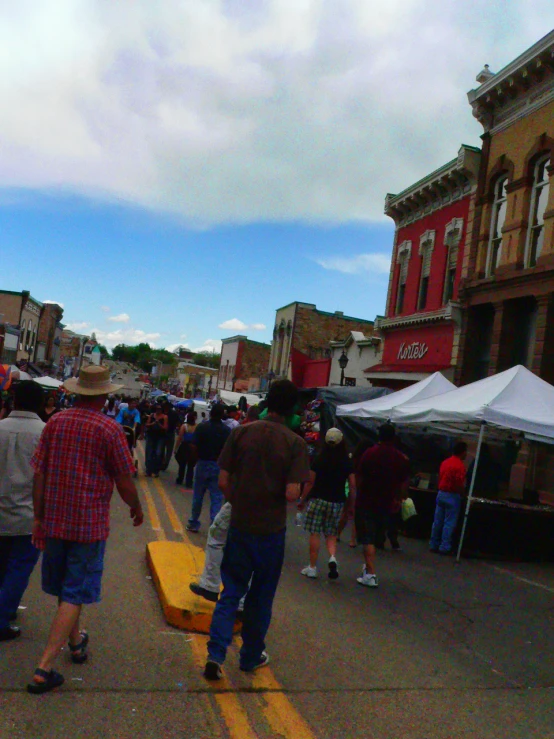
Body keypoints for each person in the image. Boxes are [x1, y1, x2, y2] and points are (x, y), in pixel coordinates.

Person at [27, 364, 143, 694]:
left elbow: (40, 473)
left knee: (66, 589)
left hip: (54, 520)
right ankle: (44, 666)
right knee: (75, 592)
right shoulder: (109, 430)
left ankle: (76, 643)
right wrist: (135, 507)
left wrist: (38, 516)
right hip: (87, 524)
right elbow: (124, 479)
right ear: (105, 395)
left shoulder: (56, 422)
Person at [204, 380, 311, 680]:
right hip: (271, 531)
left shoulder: (240, 432)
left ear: (266, 403)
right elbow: (292, 494)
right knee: (260, 598)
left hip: (240, 525)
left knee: (231, 590)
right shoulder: (295, 443)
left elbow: (223, 481)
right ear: (291, 409)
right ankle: (250, 657)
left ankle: (216, 654)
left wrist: (239, 502)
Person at [0, 381, 45, 641]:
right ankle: (3, 615)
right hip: (28, 515)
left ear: (14, 400)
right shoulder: (45, 432)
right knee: (19, 569)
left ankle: (4, 607)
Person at [355, 424, 410, 588]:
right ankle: (368, 567)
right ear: (393, 437)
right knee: (377, 536)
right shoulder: (400, 458)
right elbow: (404, 483)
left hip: (367, 500)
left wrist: (358, 494)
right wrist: (398, 499)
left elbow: (360, 476)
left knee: (368, 538)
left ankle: (371, 573)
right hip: (386, 503)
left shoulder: (370, 453)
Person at [298, 428, 355, 580]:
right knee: (331, 533)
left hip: (318, 499)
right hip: (336, 502)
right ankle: (332, 557)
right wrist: (350, 505)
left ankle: (312, 566)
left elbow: (310, 482)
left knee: (315, 532)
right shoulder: (347, 461)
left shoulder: (319, 458)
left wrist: (302, 499)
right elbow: (353, 485)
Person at [186, 404, 230, 532]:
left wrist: (195, 459)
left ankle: (193, 522)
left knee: (198, 496)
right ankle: (214, 526)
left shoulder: (202, 427)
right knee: (216, 498)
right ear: (222, 415)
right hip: (218, 465)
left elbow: (193, 446)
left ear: (211, 414)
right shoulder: (227, 430)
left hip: (203, 463)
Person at [430, 441, 467, 555]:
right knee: (449, 522)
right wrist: (463, 494)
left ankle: (433, 543)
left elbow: (440, 477)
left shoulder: (445, 462)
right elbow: (458, 483)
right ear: (463, 452)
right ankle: (444, 546)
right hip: (452, 495)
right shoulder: (460, 465)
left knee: (438, 521)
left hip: (441, 492)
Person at [144, 403, 168, 477]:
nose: (158, 410)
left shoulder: (164, 417)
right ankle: (148, 470)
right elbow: (147, 424)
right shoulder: (151, 415)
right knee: (149, 453)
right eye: (157, 409)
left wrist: (159, 424)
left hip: (160, 437)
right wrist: (153, 423)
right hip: (151, 435)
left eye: (160, 409)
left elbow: (165, 427)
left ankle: (156, 470)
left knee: (158, 453)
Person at [175, 412, 197, 487]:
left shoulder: (184, 426)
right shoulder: (197, 427)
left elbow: (180, 437)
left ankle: (180, 479)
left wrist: (176, 448)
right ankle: (189, 482)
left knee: (182, 464)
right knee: (191, 466)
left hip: (184, 446)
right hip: (193, 447)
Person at [161, 401, 180, 471]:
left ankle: (165, 464)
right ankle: (162, 463)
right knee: (161, 449)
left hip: (170, 433)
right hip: (163, 433)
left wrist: (177, 428)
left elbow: (178, 422)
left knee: (168, 451)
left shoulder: (173, 413)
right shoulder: (162, 412)